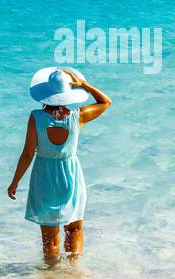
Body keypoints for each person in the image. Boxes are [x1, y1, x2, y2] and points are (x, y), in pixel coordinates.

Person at [7, 67, 111, 265]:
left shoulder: (36, 117)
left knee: (49, 236)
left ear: (46, 95)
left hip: (44, 177)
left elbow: (28, 154)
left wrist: (15, 182)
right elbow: (106, 102)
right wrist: (84, 85)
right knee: (74, 230)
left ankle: (51, 277)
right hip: (70, 176)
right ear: (68, 93)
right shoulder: (78, 116)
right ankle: (73, 272)